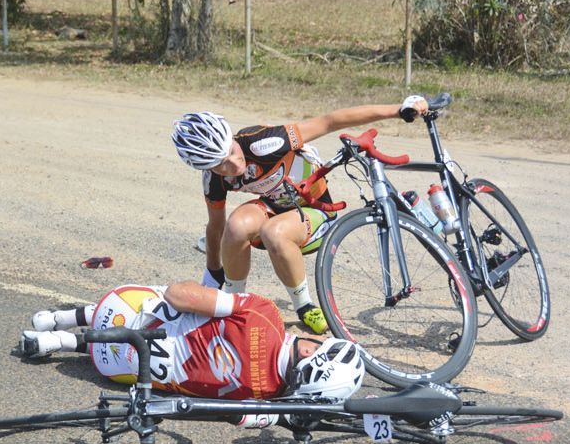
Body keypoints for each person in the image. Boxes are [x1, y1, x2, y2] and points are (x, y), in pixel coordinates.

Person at [170, 95, 430, 335]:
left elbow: (330, 121)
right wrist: (212, 275)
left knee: (274, 231)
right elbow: (215, 228)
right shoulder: (213, 178)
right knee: (236, 225)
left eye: (231, 152)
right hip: (275, 208)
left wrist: (397, 110)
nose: (233, 164)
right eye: (220, 165)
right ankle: (233, 304)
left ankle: (304, 305)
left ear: (231, 138)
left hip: (316, 212)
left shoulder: (264, 143)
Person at [17, 280, 366, 404]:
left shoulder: (266, 315)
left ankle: (65, 319)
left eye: (322, 342)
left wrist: (202, 290)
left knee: (170, 299)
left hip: (119, 308)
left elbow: (178, 295)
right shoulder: (267, 399)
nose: (319, 336)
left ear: (309, 349)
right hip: (118, 371)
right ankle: (61, 342)